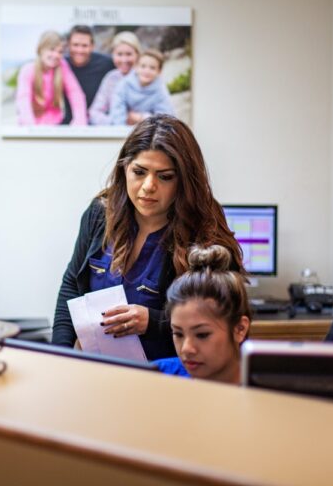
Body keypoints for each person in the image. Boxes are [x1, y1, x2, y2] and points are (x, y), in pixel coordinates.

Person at [52, 115, 245, 361]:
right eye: (139, 172)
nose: (148, 186)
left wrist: (153, 321)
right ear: (124, 168)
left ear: (184, 181)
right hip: (100, 370)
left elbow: (218, 320)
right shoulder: (101, 213)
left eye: (165, 176)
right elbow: (72, 284)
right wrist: (58, 353)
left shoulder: (204, 232)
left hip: (170, 376)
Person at [154, 244, 252, 384]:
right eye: (178, 334)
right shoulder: (157, 376)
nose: (186, 349)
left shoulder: (269, 393)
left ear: (239, 329)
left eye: (202, 335)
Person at [16, 30, 87, 126]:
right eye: (52, 49)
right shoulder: (28, 70)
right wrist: (31, 129)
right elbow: (23, 100)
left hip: (55, 124)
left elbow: (75, 93)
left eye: (60, 52)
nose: (56, 55)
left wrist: (80, 121)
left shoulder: (62, 66)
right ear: (41, 49)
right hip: (31, 123)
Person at [61, 25, 115, 124]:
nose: (80, 50)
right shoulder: (62, 65)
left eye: (84, 45)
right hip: (68, 123)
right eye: (75, 45)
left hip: (98, 123)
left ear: (92, 46)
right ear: (68, 45)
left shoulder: (106, 63)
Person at [110, 49, 174, 126]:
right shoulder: (124, 84)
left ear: (159, 72)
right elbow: (117, 110)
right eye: (143, 66)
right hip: (124, 129)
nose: (147, 71)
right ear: (136, 67)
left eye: (152, 68)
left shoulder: (160, 91)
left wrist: (141, 117)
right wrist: (120, 128)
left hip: (149, 131)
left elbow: (165, 119)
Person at [89, 31, 141, 125]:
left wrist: (140, 118)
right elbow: (94, 112)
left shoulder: (146, 76)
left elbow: (162, 113)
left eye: (129, 54)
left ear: (137, 54)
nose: (124, 60)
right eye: (119, 54)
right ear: (113, 55)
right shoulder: (111, 78)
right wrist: (113, 123)